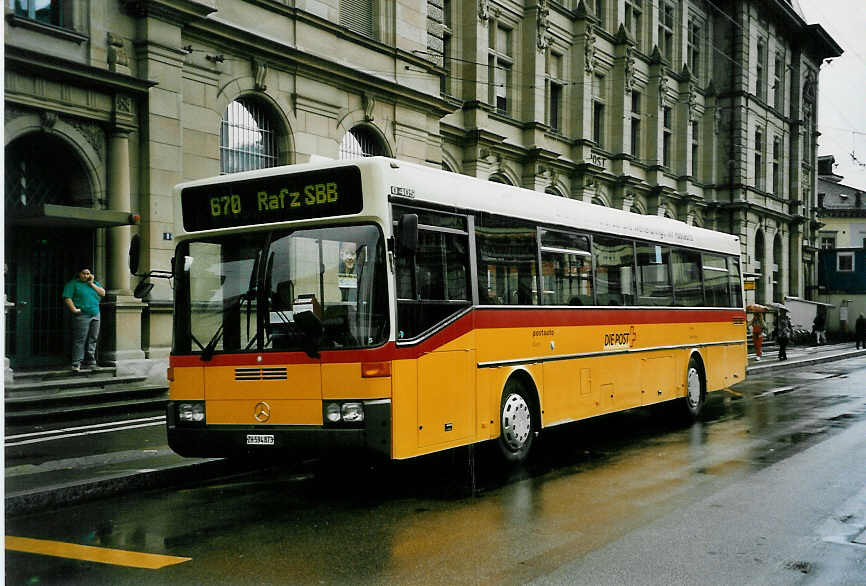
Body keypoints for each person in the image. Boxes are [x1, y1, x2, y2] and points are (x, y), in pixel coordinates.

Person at [62, 267, 105, 372]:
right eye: (84, 273)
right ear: (79, 274)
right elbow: (67, 297)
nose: (86, 276)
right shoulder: (72, 284)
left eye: (88, 274)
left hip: (95, 314)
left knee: (93, 338)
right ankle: (76, 363)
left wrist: (91, 284)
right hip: (82, 315)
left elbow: (102, 293)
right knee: (80, 339)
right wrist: (74, 309)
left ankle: (90, 360)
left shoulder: (94, 283)